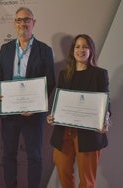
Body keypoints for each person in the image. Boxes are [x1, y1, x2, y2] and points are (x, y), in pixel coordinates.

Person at [0, 7, 56, 188]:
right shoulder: (5, 49)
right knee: (8, 155)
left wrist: (36, 106)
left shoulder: (44, 50)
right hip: (9, 113)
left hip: (33, 114)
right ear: (15, 24)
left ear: (33, 23)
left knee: (35, 157)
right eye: (19, 20)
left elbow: (50, 82)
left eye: (27, 20)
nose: (23, 23)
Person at [47, 34, 111, 188]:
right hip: (64, 131)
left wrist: (106, 118)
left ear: (91, 51)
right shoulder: (64, 74)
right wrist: (53, 115)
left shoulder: (99, 74)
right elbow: (60, 101)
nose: (81, 50)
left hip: (88, 132)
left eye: (85, 46)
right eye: (77, 46)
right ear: (72, 51)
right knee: (63, 171)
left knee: (87, 179)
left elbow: (105, 102)